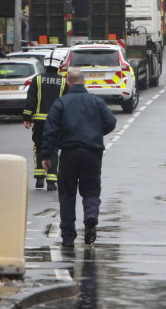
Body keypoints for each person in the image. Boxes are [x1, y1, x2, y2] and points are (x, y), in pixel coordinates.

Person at [41, 68, 117, 247]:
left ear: (68, 83)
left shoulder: (61, 103)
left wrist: (46, 155)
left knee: (67, 193)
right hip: (92, 153)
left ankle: (68, 236)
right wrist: (96, 133)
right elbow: (111, 122)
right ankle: (91, 215)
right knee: (91, 190)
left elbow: (50, 131)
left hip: (69, 153)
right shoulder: (96, 101)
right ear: (84, 82)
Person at [22, 51, 67, 190]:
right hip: (56, 122)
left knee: (39, 148)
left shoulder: (37, 79)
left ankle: (39, 179)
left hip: (39, 123)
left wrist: (27, 118)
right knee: (53, 149)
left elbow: (31, 100)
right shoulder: (64, 81)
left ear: (45, 63)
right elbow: (66, 103)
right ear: (59, 64)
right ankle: (52, 181)